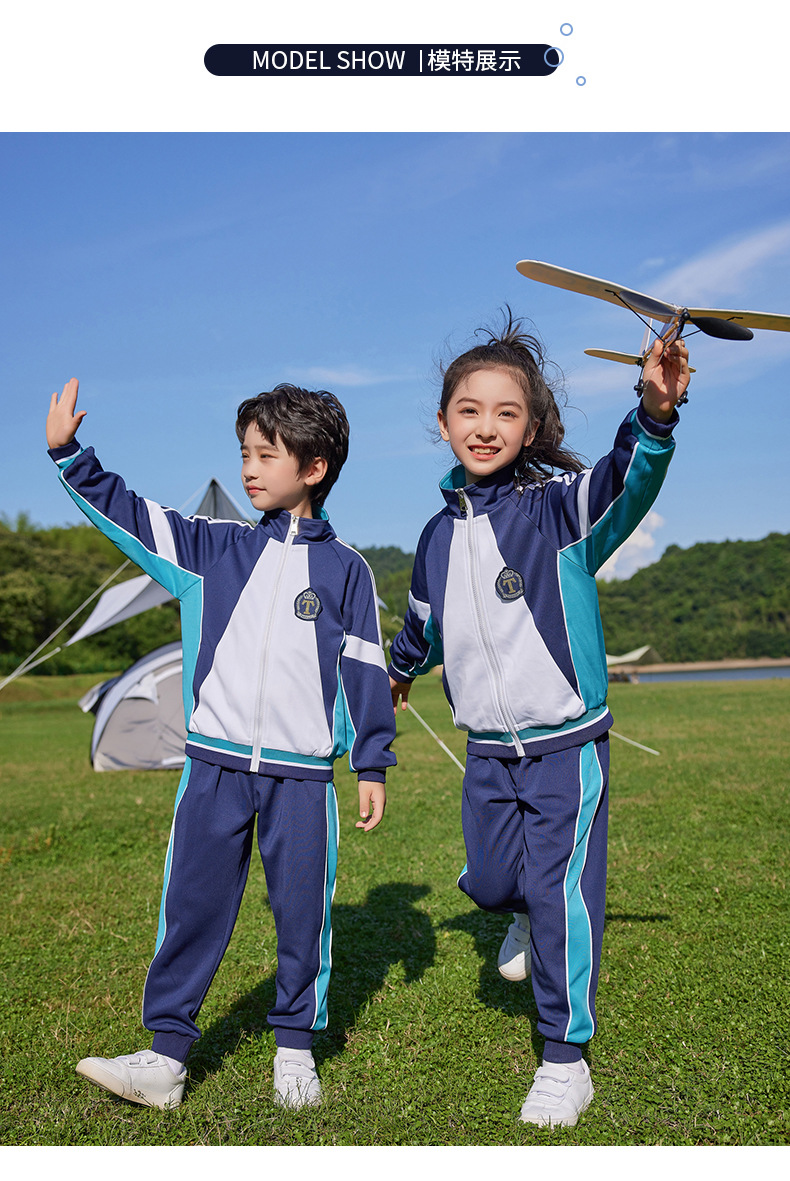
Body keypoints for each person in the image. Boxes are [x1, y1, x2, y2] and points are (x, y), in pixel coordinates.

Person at [46, 377, 396, 1110]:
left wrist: (372, 760)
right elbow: (130, 517)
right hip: (212, 768)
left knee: (304, 912)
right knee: (193, 905)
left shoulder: (347, 572)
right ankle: (165, 1057)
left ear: (314, 466)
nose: (248, 467)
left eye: (266, 454)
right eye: (244, 451)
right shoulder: (212, 547)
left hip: (303, 777)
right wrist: (70, 457)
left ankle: (295, 1049)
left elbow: (364, 669)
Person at [388, 311, 689, 1128]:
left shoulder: (561, 509)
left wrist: (655, 411)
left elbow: (630, 477)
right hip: (486, 752)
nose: (485, 426)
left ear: (532, 426)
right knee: (491, 883)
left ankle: (564, 1058)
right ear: (445, 420)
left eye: (506, 412)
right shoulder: (434, 536)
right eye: (469, 410)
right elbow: (423, 621)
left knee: (560, 892)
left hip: (564, 746)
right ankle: (515, 910)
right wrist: (398, 670)